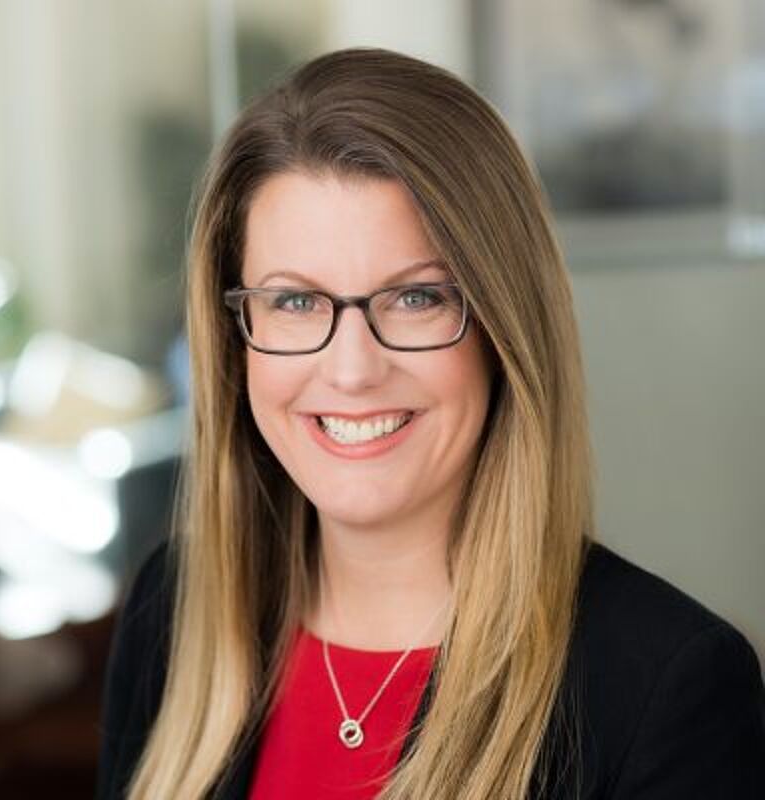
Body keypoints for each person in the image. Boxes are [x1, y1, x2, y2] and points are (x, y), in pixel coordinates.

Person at [96, 47, 765, 800]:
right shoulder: (171, 610)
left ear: (504, 329)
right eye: (294, 301)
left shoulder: (668, 685)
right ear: (234, 337)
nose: (352, 370)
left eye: (417, 299)